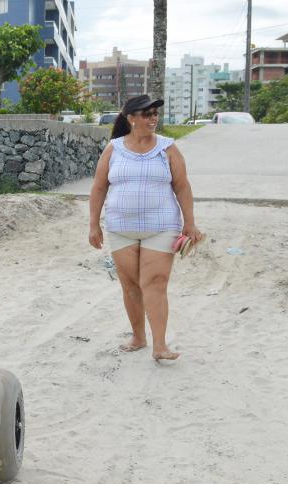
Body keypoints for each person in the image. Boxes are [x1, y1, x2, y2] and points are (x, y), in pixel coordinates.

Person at [88, 94, 203, 362]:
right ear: (131, 118)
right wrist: (93, 224)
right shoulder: (113, 148)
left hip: (161, 226)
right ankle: (138, 337)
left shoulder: (168, 148)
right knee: (131, 286)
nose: (153, 118)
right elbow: (99, 187)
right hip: (120, 227)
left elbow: (182, 186)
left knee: (155, 283)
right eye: (147, 113)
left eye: (155, 113)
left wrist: (190, 222)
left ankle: (160, 345)